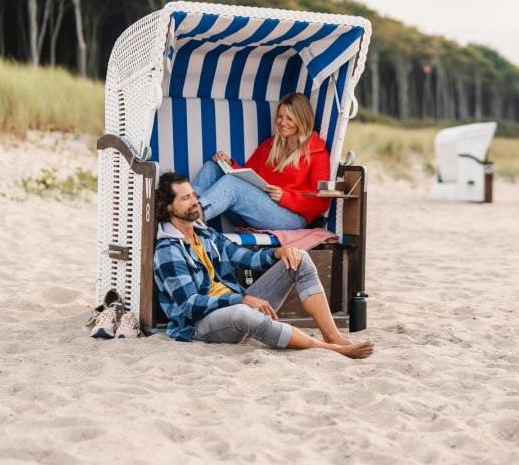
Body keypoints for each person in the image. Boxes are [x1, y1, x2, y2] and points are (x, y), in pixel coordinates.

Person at [153, 171, 374, 358]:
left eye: (193, 195)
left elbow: (245, 258)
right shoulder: (168, 250)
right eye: (185, 198)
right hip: (201, 324)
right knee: (243, 312)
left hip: (236, 306)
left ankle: (332, 336)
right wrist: (242, 298)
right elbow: (190, 306)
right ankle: (328, 349)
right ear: (168, 207)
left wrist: (279, 252)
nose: (194, 202)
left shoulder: (206, 234)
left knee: (299, 258)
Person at [191, 92, 330, 231]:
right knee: (212, 168)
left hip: (292, 218)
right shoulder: (270, 145)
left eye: (289, 118)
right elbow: (246, 178)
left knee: (231, 184)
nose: (282, 123)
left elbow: (322, 203)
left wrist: (285, 197)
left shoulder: (318, 153)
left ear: (302, 120)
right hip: (256, 212)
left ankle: (191, 218)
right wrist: (230, 165)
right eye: (280, 116)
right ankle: (185, 206)